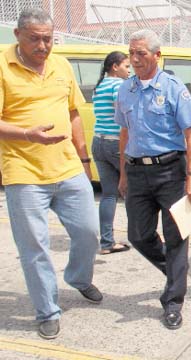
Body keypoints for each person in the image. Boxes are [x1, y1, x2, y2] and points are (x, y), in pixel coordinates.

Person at [0, 8, 102, 340]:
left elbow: (73, 111)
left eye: (48, 38)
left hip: (68, 167)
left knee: (89, 232)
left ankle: (79, 277)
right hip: (24, 171)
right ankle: (47, 310)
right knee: (35, 248)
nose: (43, 46)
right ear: (17, 35)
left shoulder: (61, 64)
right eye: (35, 39)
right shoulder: (2, 64)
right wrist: (28, 134)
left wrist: (84, 161)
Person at [115, 29, 191, 330]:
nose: (135, 59)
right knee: (138, 236)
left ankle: (173, 301)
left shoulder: (174, 88)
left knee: (176, 237)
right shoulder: (125, 90)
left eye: (141, 53)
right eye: (131, 53)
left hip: (170, 172)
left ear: (156, 55)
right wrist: (124, 174)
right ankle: (177, 271)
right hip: (137, 171)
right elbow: (124, 133)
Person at [92, 51, 131, 255]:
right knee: (133, 190)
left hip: (98, 142)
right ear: (115, 67)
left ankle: (106, 243)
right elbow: (122, 112)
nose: (129, 70)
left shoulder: (99, 86)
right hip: (116, 144)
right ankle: (142, 236)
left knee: (108, 195)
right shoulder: (118, 86)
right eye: (126, 66)